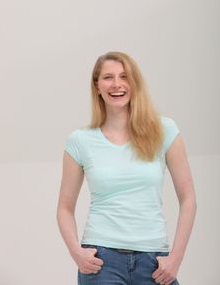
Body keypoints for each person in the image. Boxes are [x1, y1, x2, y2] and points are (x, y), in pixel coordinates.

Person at [56, 51, 197, 285]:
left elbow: (189, 198)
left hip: (154, 261)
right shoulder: (79, 141)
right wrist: (76, 252)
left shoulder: (165, 130)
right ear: (97, 86)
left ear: (134, 83)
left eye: (124, 76)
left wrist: (176, 258)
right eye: (108, 77)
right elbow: (64, 207)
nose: (117, 84)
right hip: (101, 261)